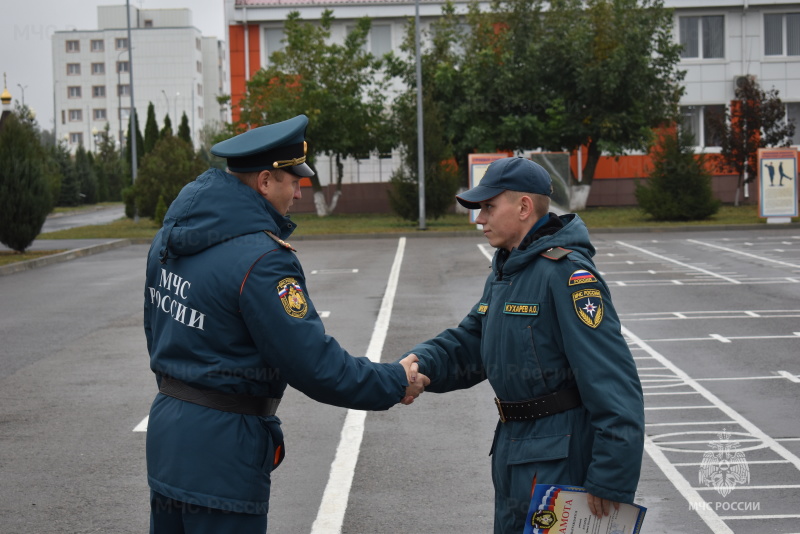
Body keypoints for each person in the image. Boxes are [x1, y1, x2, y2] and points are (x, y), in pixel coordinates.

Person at [143, 114, 429, 533]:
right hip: (224, 453)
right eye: (293, 180)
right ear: (263, 182)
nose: (299, 191)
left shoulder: (170, 237)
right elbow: (313, 364)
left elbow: (156, 328)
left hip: (168, 437)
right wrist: (393, 380)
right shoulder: (261, 259)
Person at [404, 157, 644, 533]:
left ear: (523, 207)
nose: (479, 219)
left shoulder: (567, 275)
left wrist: (611, 477)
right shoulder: (509, 269)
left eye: (487, 207)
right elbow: (473, 340)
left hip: (559, 459)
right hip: (516, 450)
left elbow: (612, 379)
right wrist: (420, 363)